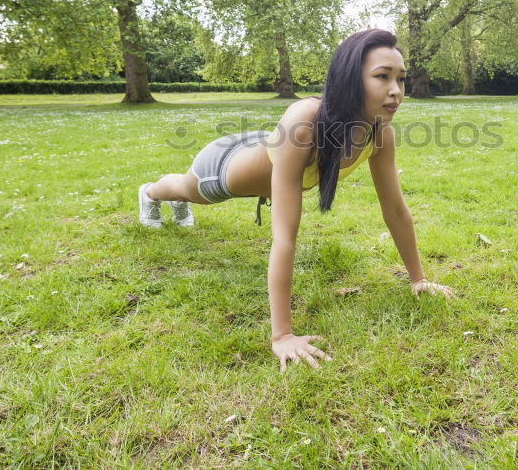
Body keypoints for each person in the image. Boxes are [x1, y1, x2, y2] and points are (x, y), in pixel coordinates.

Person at [138, 28, 455, 373]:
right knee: (186, 190)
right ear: (350, 79)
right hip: (224, 167)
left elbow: (395, 210)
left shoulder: (380, 132)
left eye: (401, 79)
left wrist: (418, 279)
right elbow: (285, 236)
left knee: (200, 186)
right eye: (382, 77)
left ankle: (167, 198)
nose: (396, 91)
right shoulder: (305, 122)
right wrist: (282, 335)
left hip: (269, 147)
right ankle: (150, 193)